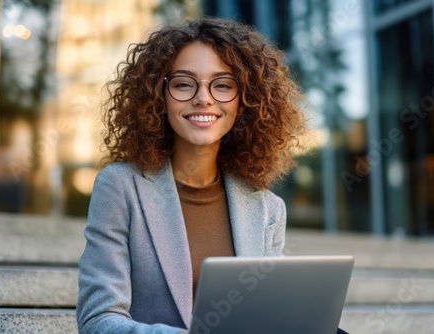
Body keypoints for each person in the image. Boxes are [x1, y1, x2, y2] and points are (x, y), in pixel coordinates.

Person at [77, 17, 328, 334]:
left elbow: (265, 318)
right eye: (183, 83)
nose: (204, 98)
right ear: (159, 96)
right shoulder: (120, 187)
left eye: (222, 85)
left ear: (244, 101)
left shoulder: (268, 209)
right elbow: (97, 321)